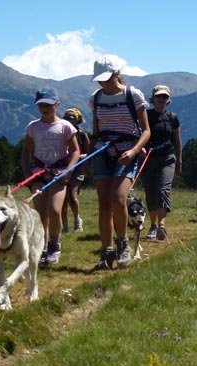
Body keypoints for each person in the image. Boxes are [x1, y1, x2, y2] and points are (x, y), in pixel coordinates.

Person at [89, 59, 151, 269]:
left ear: (116, 73)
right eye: (100, 80)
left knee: (119, 198)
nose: (102, 84)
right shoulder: (96, 98)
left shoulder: (132, 95)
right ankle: (106, 253)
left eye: (106, 79)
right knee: (104, 203)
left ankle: (122, 244)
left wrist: (134, 151)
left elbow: (146, 130)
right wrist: (90, 151)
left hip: (127, 152)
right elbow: (96, 131)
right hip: (103, 152)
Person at [21, 87, 80, 265]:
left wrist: (68, 171)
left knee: (55, 210)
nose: (44, 108)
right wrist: (27, 175)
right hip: (38, 174)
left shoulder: (65, 126)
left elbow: (76, 151)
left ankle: (55, 245)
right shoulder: (33, 127)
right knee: (40, 214)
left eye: (48, 104)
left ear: (57, 104)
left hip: (59, 174)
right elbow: (26, 151)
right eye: (41, 105)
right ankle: (42, 247)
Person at [141, 84, 182, 242]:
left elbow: (177, 141)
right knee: (150, 192)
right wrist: (141, 149)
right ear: (153, 99)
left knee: (162, 189)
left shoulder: (172, 118)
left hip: (167, 158)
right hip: (147, 158)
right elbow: (139, 134)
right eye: (159, 96)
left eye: (164, 96)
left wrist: (179, 162)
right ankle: (152, 225)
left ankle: (161, 226)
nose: (162, 99)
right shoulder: (146, 115)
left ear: (168, 100)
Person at [61, 107, 91, 233]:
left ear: (77, 120)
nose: (68, 120)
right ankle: (65, 225)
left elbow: (89, 152)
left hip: (78, 167)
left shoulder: (81, 134)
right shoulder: (61, 132)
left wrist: (80, 157)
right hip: (63, 167)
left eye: (71, 118)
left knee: (72, 196)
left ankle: (77, 219)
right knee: (62, 199)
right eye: (66, 118)